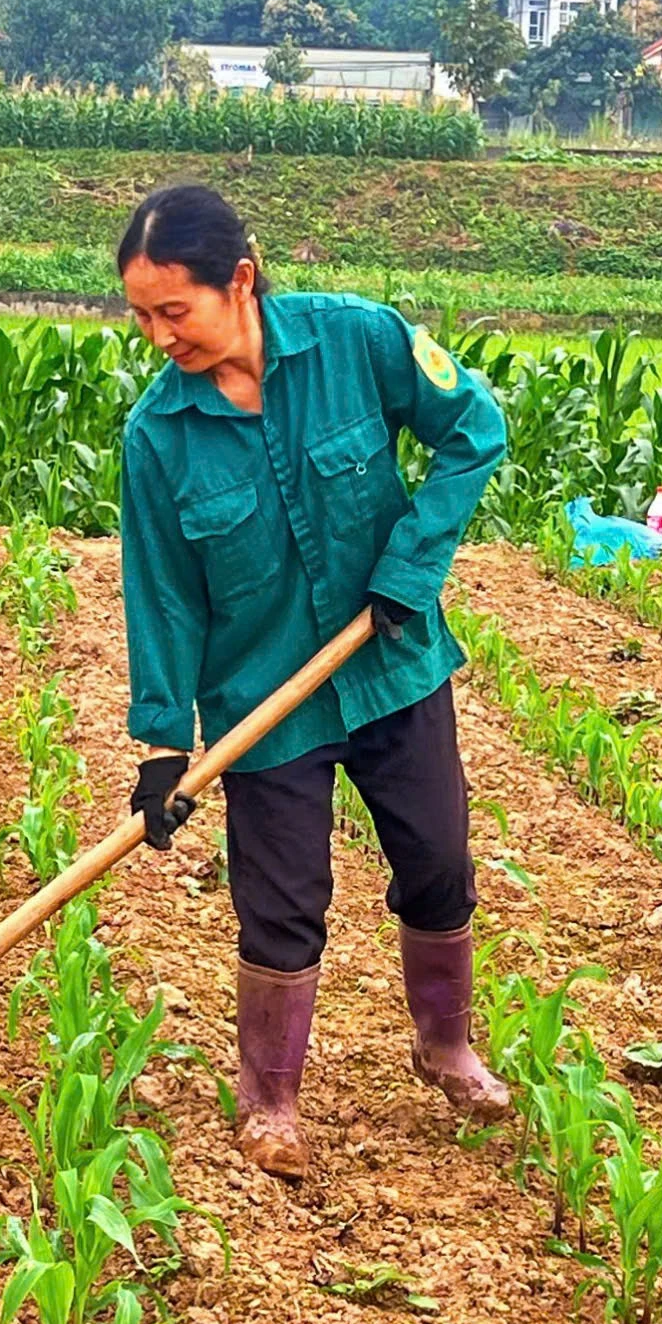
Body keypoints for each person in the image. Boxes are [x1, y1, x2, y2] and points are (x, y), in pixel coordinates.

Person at [115, 184, 509, 1181]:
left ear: (238, 279)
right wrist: (165, 744)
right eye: (142, 317)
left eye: (176, 311)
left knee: (436, 858)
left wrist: (410, 567)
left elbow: (474, 428)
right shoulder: (157, 437)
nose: (161, 336)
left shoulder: (357, 340)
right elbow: (161, 595)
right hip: (263, 702)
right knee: (280, 901)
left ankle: (445, 1044)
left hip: (390, 665)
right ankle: (271, 1102)